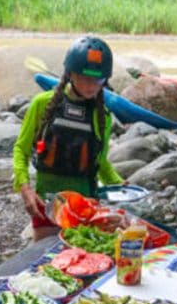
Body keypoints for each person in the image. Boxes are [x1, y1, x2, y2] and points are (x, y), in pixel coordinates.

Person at [12, 35, 123, 240]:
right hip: (48, 203)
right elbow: (21, 149)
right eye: (85, 78)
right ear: (70, 74)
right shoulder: (42, 103)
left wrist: (119, 185)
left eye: (98, 80)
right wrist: (25, 188)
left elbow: (100, 162)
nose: (92, 86)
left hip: (86, 206)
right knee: (45, 254)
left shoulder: (103, 116)